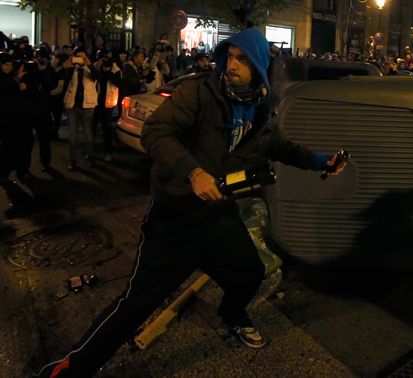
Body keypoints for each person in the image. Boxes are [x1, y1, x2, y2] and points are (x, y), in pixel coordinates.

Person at [36, 28, 347, 378]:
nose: (232, 65)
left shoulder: (261, 107)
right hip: (174, 221)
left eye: (242, 59)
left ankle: (232, 316)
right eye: (229, 56)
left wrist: (322, 162)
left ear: (259, 65)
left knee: (250, 273)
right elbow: (156, 131)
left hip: (218, 217)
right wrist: (193, 172)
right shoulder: (198, 92)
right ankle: (69, 370)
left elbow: (282, 147)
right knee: (134, 306)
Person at [62, 46, 101, 170]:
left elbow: (98, 76)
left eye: (82, 56)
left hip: (87, 104)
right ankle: (72, 161)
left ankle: (90, 157)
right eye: (78, 56)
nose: (80, 59)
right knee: (73, 135)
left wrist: (88, 63)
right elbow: (62, 73)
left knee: (88, 134)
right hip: (72, 105)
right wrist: (69, 62)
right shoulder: (72, 68)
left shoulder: (91, 67)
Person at [0, 53, 34, 182]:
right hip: (6, 116)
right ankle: (4, 172)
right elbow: (3, 88)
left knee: (26, 142)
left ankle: (23, 170)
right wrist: (17, 79)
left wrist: (23, 86)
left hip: (21, 114)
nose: (8, 67)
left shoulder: (16, 76)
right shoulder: (10, 77)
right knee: (8, 144)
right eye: (5, 65)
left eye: (10, 65)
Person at [92, 54, 122, 162]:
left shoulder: (115, 70)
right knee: (92, 127)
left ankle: (108, 152)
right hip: (94, 102)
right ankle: (90, 150)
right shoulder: (95, 68)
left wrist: (108, 72)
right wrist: (98, 69)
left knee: (107, 128)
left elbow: (118, 83)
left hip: (108, 103)